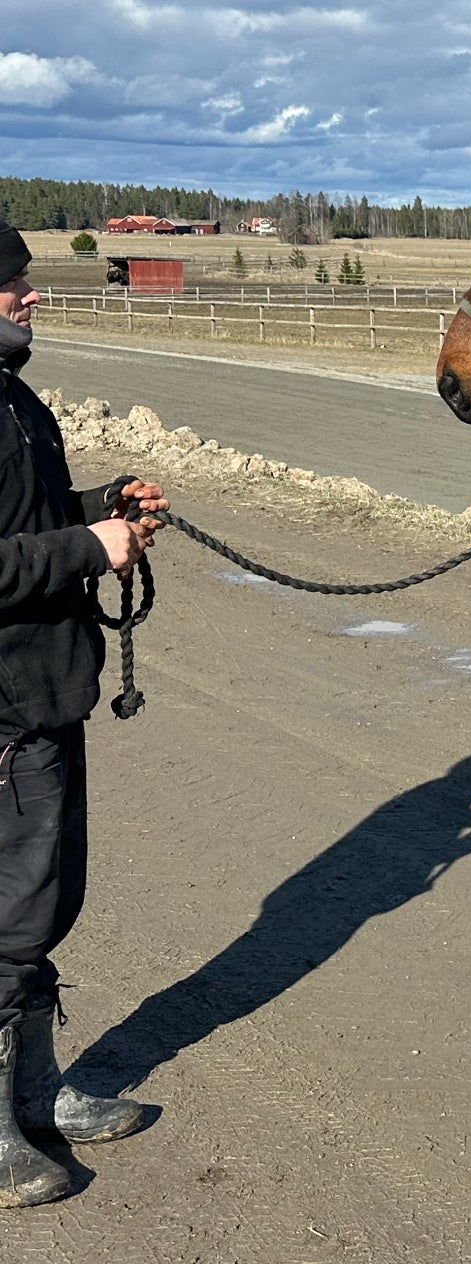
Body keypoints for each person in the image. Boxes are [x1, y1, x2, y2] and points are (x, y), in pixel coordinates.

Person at [0, 221, 167, 1208]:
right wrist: (88, 549)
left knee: (48, 901)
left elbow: (31, 520)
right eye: (12, 283)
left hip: (49, 689)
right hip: (5, 708)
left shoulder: (16, 401)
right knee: (7, 915)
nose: (29, 294)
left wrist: (106, 508)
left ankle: (37, 1093)